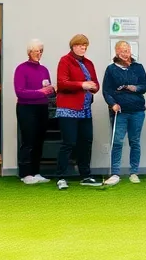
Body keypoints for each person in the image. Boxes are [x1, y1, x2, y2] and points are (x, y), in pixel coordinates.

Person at [53, 35, 101, 189]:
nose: (83, 48)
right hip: (68, 110)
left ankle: (85, 175)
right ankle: (61, 177)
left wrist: (93, 87)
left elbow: (95, 84)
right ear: (73, 46)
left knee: (86, 142)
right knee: (69, 143)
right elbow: (62, 83)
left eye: (85, 46)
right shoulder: (65, 60)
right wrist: (82, 85)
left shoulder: (88, 63)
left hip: (85, 110)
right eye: (80, 45)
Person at [103, 40, 146, 186]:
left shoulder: (138, 67)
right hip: (120, 111)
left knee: (135, 142)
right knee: (117, 142)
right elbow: (107, 90)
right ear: (116, 52)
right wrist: (112, 104)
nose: (125, 53)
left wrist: (133, 88)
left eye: (127, 50)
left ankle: (134, 172)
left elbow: (145, 85)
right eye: (122, 50)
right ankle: (115, 173)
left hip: (137, 111)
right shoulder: (111, 69)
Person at [13, 39, 54, 185]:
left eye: (41, 51)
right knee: (28, 140)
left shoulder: (44, 70)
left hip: (42, 108)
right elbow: (20, 92)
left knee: (38, 141)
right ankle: (25, 174)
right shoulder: (21, 69)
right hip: (26, 108)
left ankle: (36, 172)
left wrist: (50, 91)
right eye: (36, 51)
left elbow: (47, 91)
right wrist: (40, 92)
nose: (39, 54)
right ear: (29, 52)